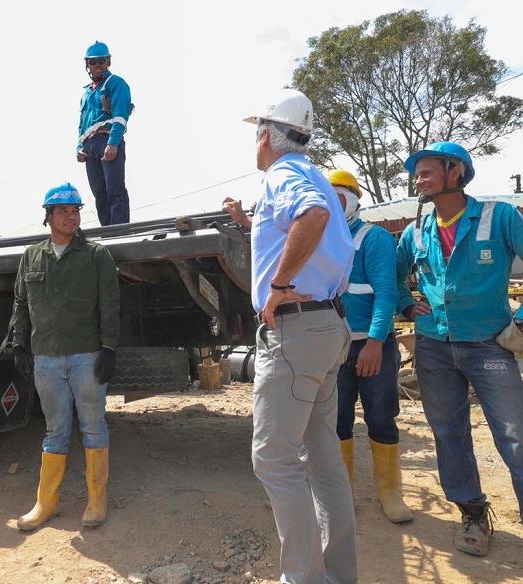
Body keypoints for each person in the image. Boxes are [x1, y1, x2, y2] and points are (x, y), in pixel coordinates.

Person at [223, 89, 357, 584]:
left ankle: (304, 579)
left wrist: (278, 287)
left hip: (298, 330)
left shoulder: (281, 173)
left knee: (273, 458)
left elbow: (313, 218)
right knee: (322, 458)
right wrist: (247, 220)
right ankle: (337, 575)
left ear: (265, 136)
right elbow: (308, 220)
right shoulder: (311, 174)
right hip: (325, 326)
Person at [396, 141, 523, 556]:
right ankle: (472, 513)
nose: (419, 180)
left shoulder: (499, 216)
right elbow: (392, 272)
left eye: (427, 171)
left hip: (490, 347)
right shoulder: (416, 231)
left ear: (456, 172)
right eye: (417, 173)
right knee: (449, 433)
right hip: (433, 347)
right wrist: (403, 302)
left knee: (514, 435)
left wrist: (520, 323)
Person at [11, 183, 121, 531]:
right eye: (64, 211)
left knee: (93, 427)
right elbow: (21, 302)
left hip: (87, 357)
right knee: (55, 431)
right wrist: (18, 344)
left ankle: (96, 500)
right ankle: (47, 503)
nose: (71, 216)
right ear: (49, 217)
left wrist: (108, 348)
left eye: (75, 211)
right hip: (46, 358)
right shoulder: (32, 256)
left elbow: (110, 304)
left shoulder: (96, 254)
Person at [327, 169, 412, 524]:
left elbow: (387, 291)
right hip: (333, 348)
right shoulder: (320, 239)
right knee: (337, 420)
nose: (332, 205)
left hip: (372, 345)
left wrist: (375, 342)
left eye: (339, 197)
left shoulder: (373, 238)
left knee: (380, 416)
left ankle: (390, 493)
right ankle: (341, 494)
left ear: (355, 201)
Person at [77, 41, 133, 226]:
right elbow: (82, 124)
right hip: (90, 145)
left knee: (114, 190)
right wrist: (79, 146)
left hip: (106, 139)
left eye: (101, 61)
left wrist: (113, 142)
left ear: (108, 62)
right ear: (87, 64)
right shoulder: (86, 93)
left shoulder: (116, 83)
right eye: (93, 62)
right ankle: (107, 232)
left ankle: (119, 232)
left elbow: (121, 116)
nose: (97, 65)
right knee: (99, 194)